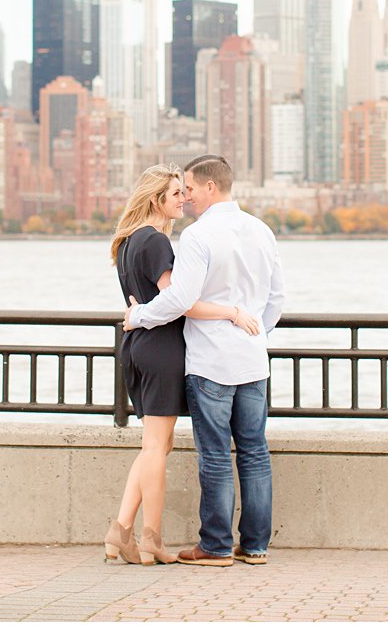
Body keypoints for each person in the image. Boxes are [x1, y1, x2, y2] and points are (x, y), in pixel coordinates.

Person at [125, 154, 286, 568]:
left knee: (215, 454)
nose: (188, 197)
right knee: (254, 452)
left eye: (191, 188)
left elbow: (179, 300)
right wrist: (253, 334)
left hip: (210, 360)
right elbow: (276, 299)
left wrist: (138, 316)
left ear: (210, 187)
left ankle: (215, 547)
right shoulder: (261, 230)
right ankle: (254, 546)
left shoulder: (198, 236)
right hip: (252, 359)